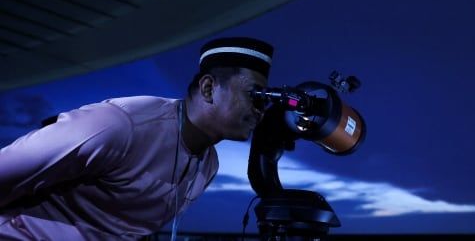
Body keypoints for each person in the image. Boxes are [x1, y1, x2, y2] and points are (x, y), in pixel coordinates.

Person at [0, 37, 273, 240]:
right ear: (209, 88)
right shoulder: (119, 126)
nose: (260, 110)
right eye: (255, 95)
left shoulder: (208, 164)